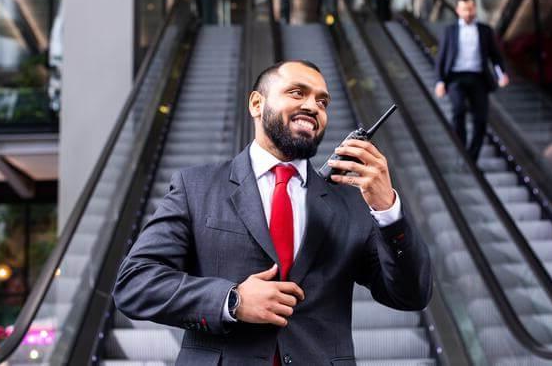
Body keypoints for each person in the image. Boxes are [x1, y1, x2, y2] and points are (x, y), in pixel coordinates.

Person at [113, 60, 432, 366]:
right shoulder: (196, 186)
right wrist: (231, 300)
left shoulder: (348, 203)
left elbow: (410, 296)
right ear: (256, 104)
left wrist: (388, 209)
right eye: (297, 93)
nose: (313, 106)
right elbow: (134, 283)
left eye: (323, 102)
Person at [435, 0, 509, 162]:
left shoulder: (485, 30)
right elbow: (441, 57)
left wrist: (501, 74)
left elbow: (495, 56)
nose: (468, 13)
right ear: (458, 10)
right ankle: (461, 150)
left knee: (481, 119)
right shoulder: (450, 31)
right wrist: (440, 81)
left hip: (478, 78)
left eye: (470, 8)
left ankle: (472, 156)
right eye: (464, 9)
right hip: (455, 78)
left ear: (474, 8)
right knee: (458, 110)